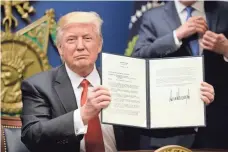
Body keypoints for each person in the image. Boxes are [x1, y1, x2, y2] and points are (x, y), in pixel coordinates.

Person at [21, 11, 125, 152]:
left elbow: (150, 130)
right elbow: (32, 136)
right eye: (71, 40)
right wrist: (82, 115)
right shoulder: (38, 86)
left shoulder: (120, 81)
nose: (80, 46)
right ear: (60, 48)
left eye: (87, 38)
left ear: (99, 45)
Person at [132, 0, 228, 149]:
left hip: (219, 127)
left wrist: (226, 49)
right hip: (169, 131)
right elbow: (138, 59)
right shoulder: (153, 17)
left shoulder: (224, 10)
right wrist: (176, 35)